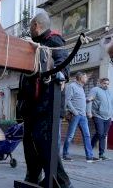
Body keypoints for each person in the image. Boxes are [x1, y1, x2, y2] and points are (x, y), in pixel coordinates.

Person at [18, 12, 73, 188]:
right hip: (32, 106)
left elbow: (63, 67)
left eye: (30, 26)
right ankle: (33, 176)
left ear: (36, 26)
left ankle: (63, 183)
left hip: (47, 106)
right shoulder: (36, 44)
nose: (29, 30)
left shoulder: (54, 41)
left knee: (45, 145)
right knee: (30, 143)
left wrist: (59, 74)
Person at [62, 72, 99, 162]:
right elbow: (67, 101)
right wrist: (75, 112)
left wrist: (87, 102)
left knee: (87, 135)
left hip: (83, 116)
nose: (86, 79)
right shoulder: (72, 86)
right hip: (75, 115)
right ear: (80, 77)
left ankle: (89, 156)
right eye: (85, 77)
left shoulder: (81, 88)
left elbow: (79, 101)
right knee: (70, 136)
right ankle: (65, 154)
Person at [87, 78, 113, 160]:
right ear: (100, 83)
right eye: (105, 83)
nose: (106, 85)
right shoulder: (95, 89)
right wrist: (89, 112)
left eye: (107, 84)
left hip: (108, 117)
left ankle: (101, 154)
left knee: (104, 135)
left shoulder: (110, 92)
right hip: (98, 115)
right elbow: (89, 100)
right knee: (99, 133)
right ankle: (89, 149)